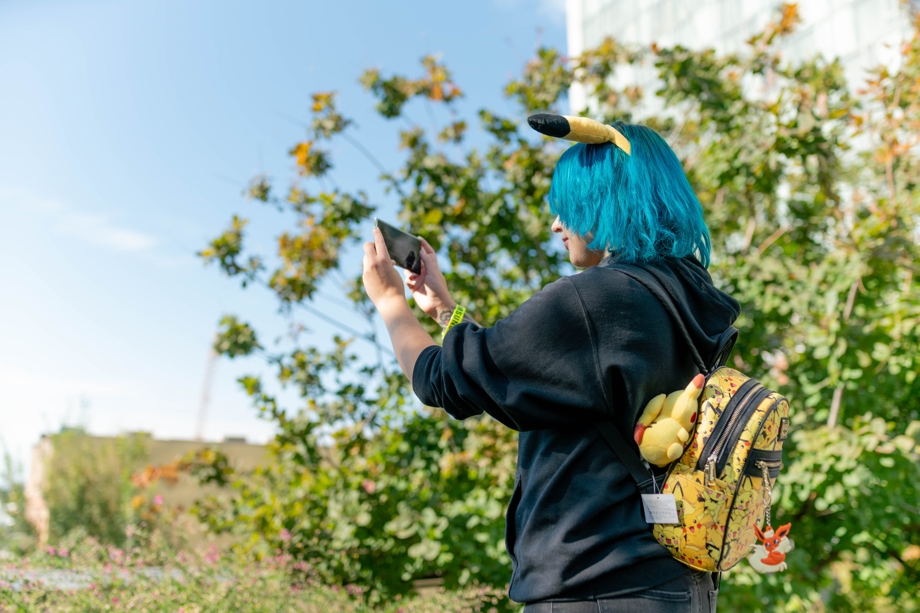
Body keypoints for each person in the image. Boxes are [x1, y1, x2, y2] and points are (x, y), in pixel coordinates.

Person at [362, 121, 739, 612]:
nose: (557, 225)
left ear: (605, 199)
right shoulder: (684, 299)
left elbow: (444, 380)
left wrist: (392, 304)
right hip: (678, 589)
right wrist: (443, 309)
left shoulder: (590, 303)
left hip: (597, 591)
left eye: (566, 206)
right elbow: (488, 365)